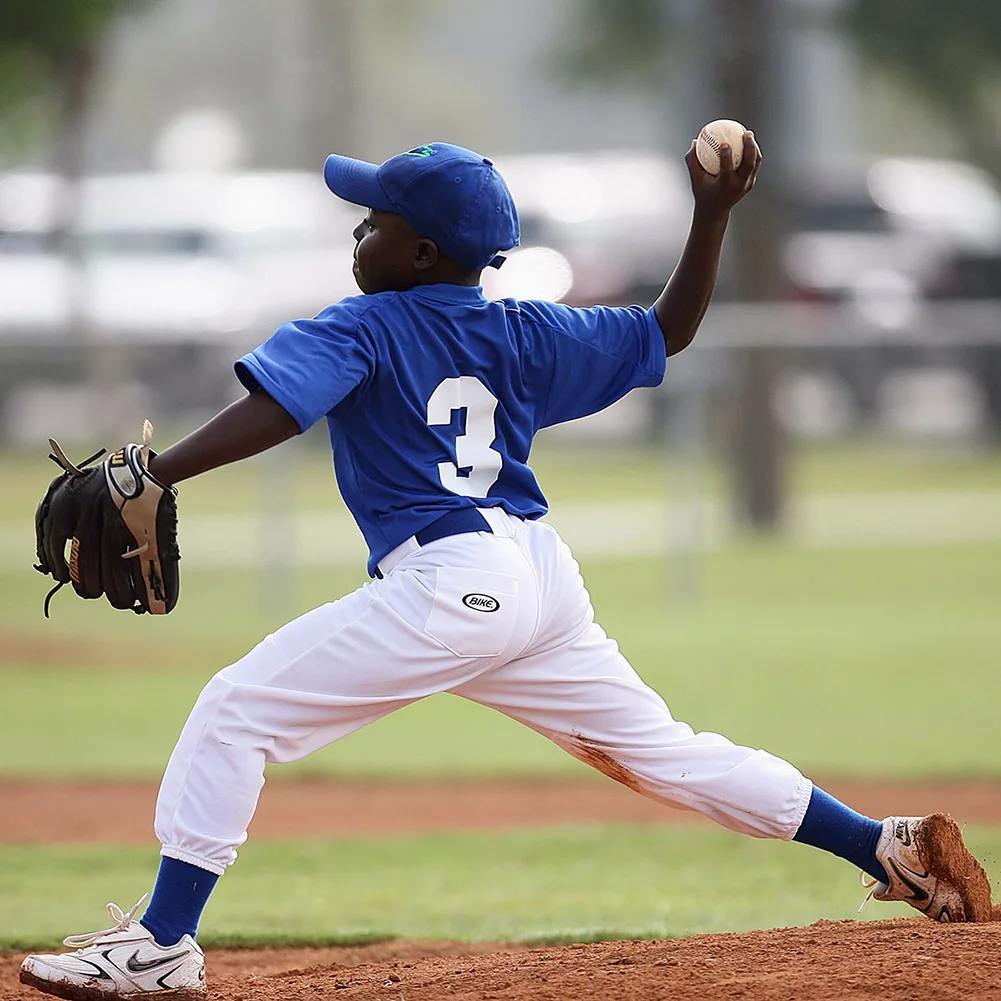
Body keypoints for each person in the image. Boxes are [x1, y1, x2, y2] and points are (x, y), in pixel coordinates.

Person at [20, 136, 991, 1000]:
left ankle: (161, 942)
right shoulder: (525, 327)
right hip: (536, 576)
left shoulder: (364, 325)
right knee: (663, 749)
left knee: (237, 709)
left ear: (423, 254)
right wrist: (709, 215)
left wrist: (155, 466)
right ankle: (884, 843)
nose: (358, 234)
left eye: (376, 222)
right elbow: (668, 329)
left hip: (451, 583)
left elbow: (281, 408)